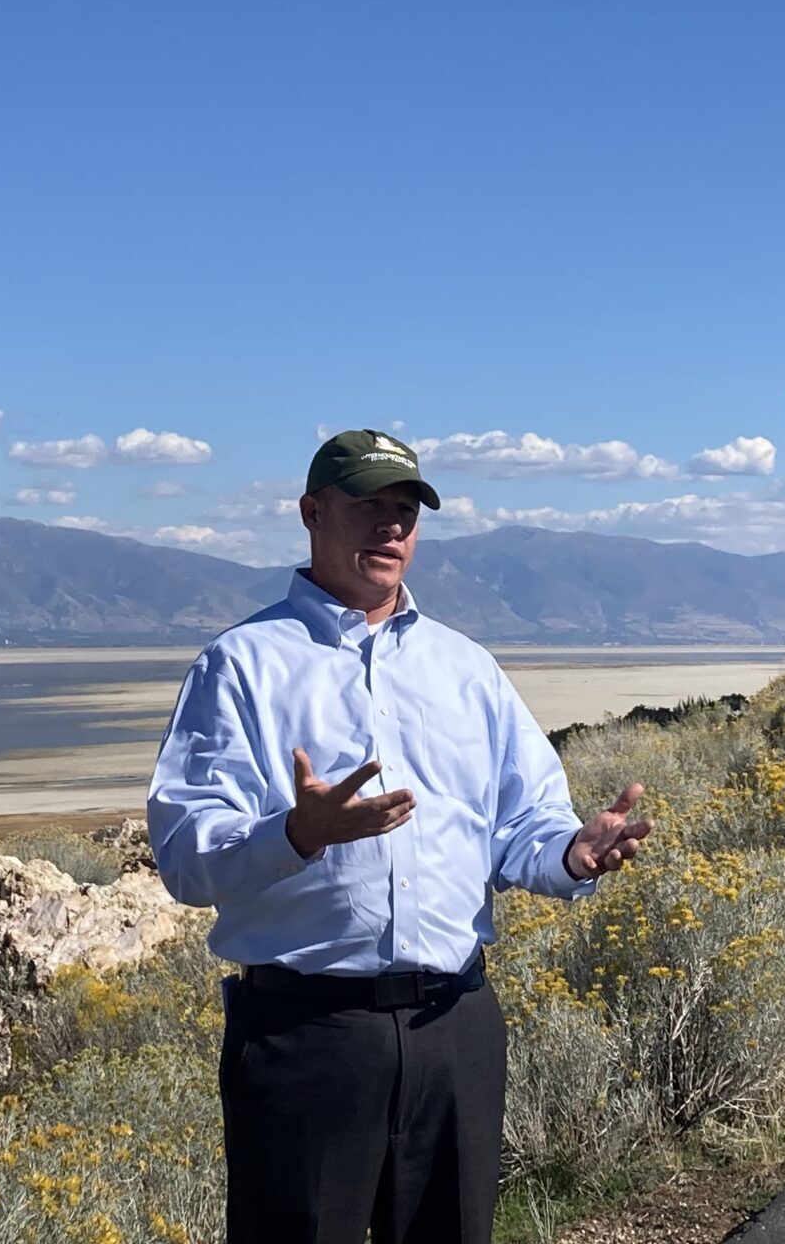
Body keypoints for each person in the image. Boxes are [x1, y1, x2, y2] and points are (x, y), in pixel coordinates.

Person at [148, 429, 652, 1243]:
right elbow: (185, 854)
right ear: (312, 514)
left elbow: (519, 824)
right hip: (308, 1037)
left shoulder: (467, 668)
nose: (391, 527)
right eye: (370, 506)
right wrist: (296, 835)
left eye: (406, 511)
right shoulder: (241, 666)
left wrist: (570, 854)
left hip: (454, 1028)